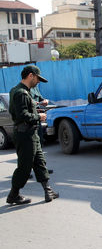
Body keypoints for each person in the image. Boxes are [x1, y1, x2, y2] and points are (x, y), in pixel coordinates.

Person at [6, 65, 59, 205]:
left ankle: (48, 191)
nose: (38, 82)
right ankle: (13, 195)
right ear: (31, 75)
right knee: (24, 167)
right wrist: (39, 116)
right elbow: (22, 115)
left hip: (31, 133)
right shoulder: (21, 93)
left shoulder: (22, 92)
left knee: (40, 163)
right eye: (37, 78)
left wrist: (36, 109)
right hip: (25, 134)